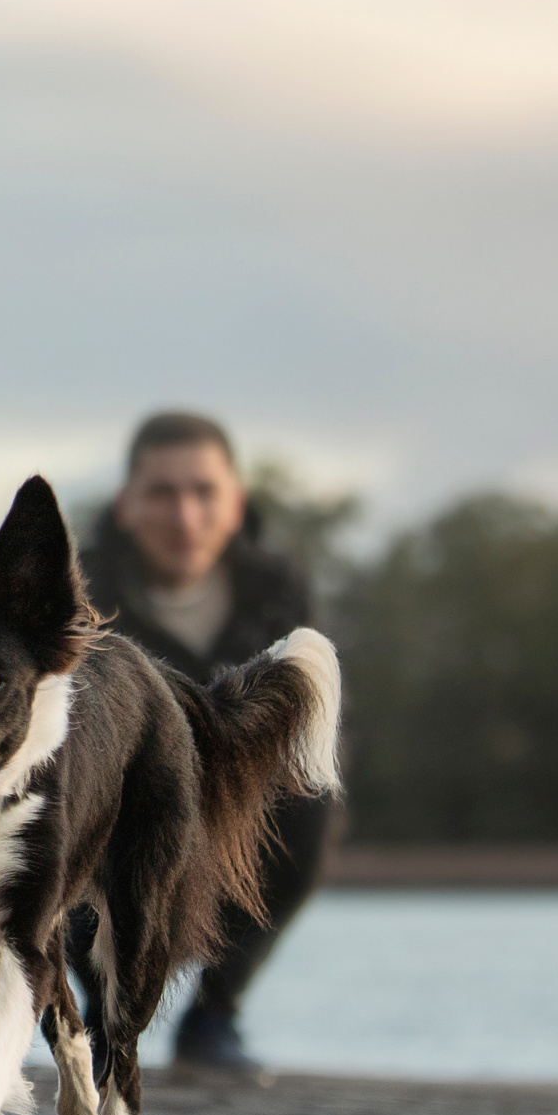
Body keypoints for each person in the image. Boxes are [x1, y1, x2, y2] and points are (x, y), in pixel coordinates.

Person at [74, 411, 337, 1080]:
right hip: (107, 806)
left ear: (236, 503)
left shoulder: (280, 588)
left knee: (316, 795)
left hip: (236, 795)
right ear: (126, 505)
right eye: (162, 492)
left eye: (203, 491)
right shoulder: (74, 592)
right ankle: (101, 1010)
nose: (184, 514)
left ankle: (214, 1015)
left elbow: (311, 717)